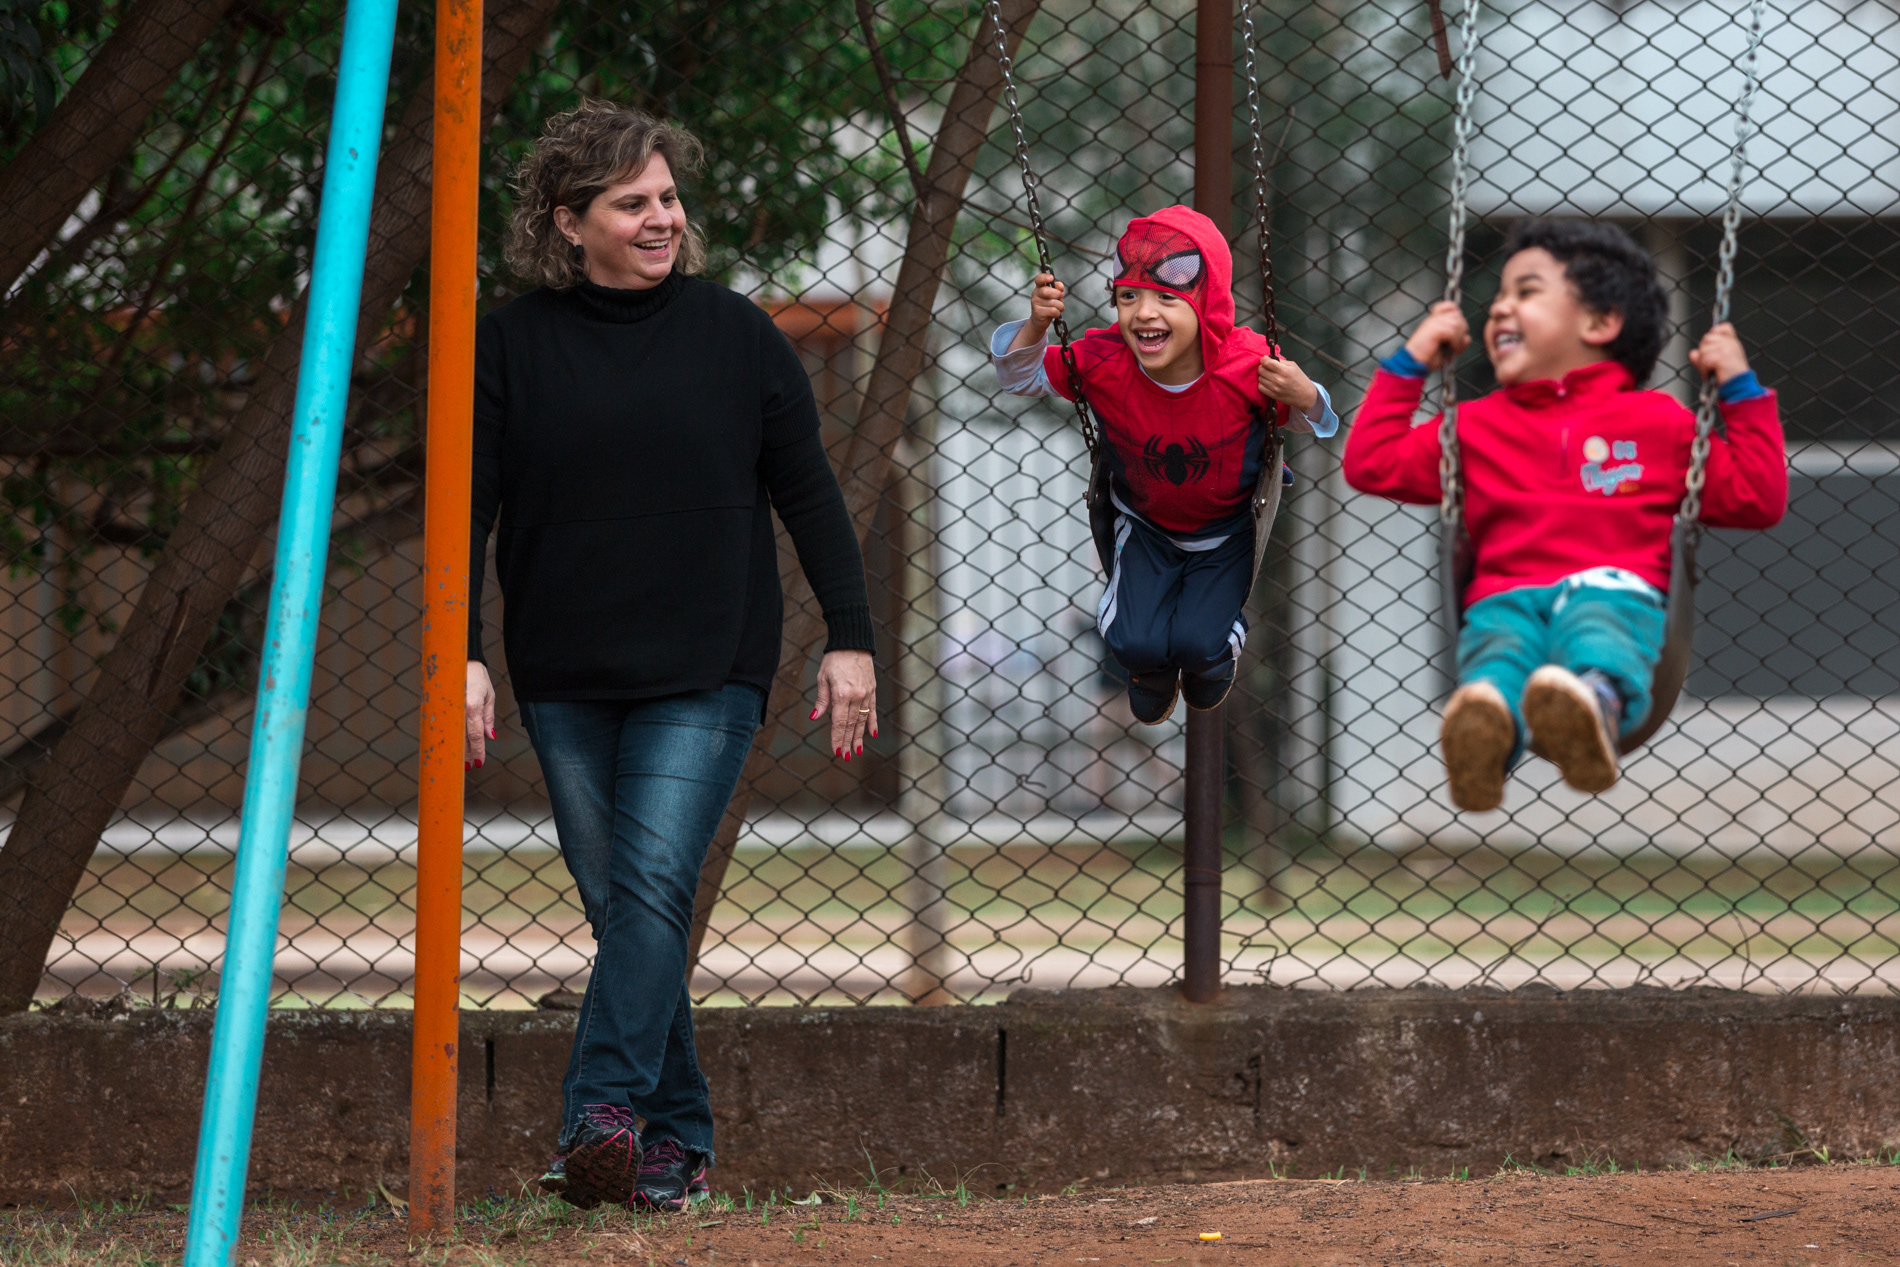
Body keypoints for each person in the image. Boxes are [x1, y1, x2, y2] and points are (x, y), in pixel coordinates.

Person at [464, 101, 877, 1211]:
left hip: (707, 664)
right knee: (625, 908)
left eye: (667, 198)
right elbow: (468, 508)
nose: (660, 219)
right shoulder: (506, 345)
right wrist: (460, 654)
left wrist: (852, 639)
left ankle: (598, 1111)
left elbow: (811, 497)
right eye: (630, 202)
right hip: (563, 669)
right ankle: (677, 1142)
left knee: (649, 882)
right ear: (568, 220)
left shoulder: (736, 334)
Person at [1343, 218, 1787, 812]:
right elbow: (1370, 464)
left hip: (1614, 591)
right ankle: (1485, 740)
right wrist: (1412, 360)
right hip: (1505, 598)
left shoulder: (1660, 424)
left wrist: (1738, 386)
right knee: (1496, 657)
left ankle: (1593, 710)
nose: (1499, 310)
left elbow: (1759, 495)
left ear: (1600, 322)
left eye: (1525, 292)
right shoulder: (1474, 427)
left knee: (1597, 628)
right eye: (1499, 296)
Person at [990, 205, 1339, 724]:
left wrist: (1306, 393)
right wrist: (1039, 324)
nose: (1144, 314)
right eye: (1128, 296)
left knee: (1199, 644)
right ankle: (1148, 668)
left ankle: (1210, 660)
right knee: (1132, 642)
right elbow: (1019, 378)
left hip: (1227, 533)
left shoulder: (1247, 363)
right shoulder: (1105, 359)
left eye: (1167, 298)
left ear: (1208, 306)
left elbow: (1320, 421)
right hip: (1146, 527)